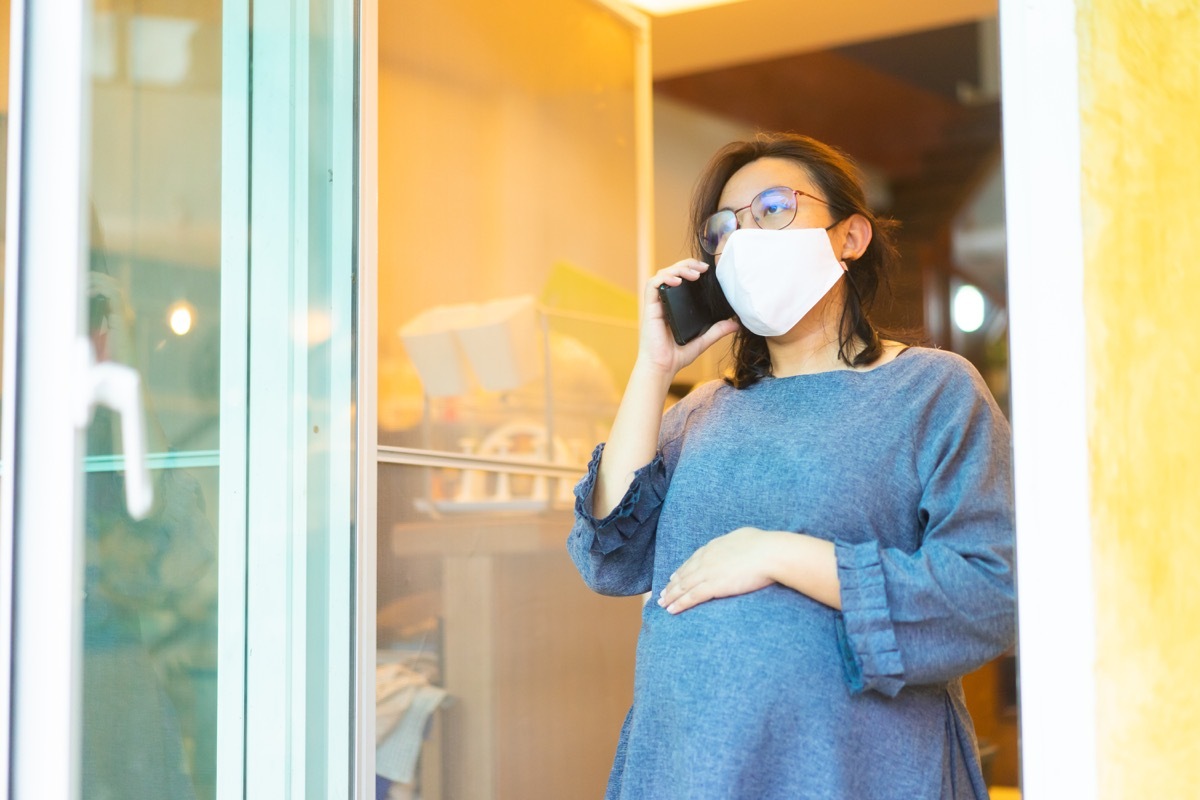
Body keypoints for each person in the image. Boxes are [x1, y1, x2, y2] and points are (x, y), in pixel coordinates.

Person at [567, 132, 1015, 799]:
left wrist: (778, 554)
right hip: (691, 767)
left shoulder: (932, 390)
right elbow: (608, 555)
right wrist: (653, 368)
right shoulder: (701, 412)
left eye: (772, 209)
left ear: (850, 236)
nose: (744, 239)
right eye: (724, 229)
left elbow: (989, 595)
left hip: (856, 769)